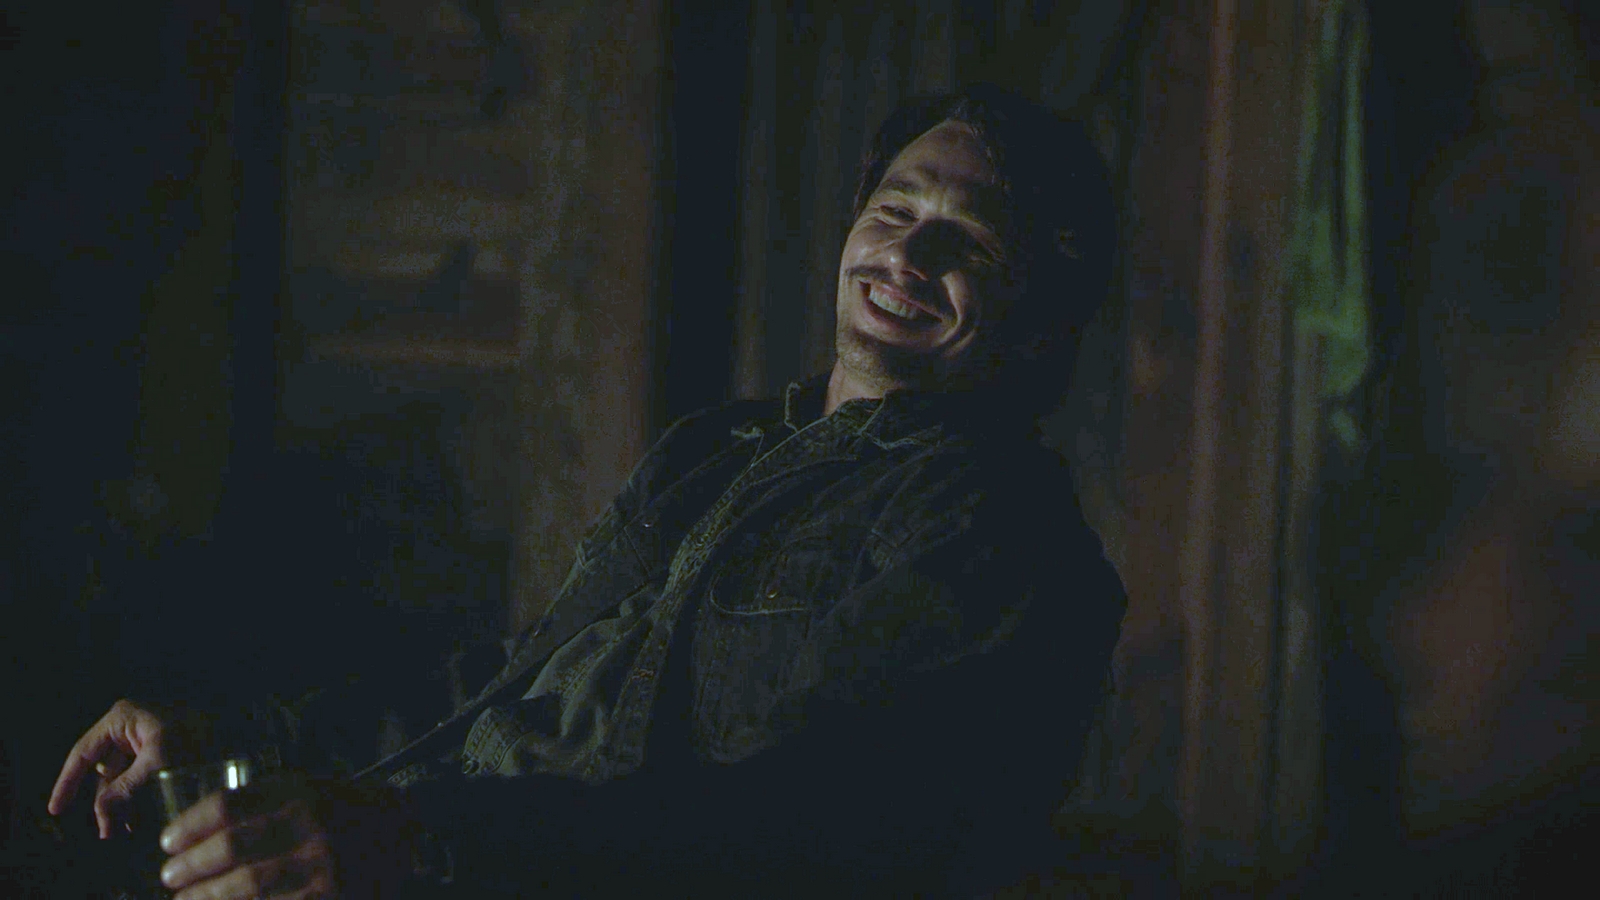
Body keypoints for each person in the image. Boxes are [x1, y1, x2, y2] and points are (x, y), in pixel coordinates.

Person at [46, 84, 1125, 898]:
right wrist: (239, 742)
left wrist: (417, 839)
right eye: (894, 210)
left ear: (1041, 323)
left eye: (969, 240)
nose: (908, 252)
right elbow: (520, 681)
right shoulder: (720, 451)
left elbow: (812, 822)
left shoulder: (996, 529)